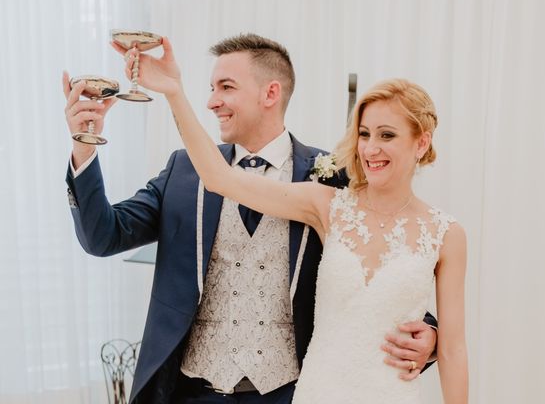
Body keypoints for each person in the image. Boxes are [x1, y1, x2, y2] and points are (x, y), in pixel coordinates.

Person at [63, 33, 439, 404]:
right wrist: (83, 146)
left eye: (226, 87)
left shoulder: (331, 177)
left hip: (291, 392)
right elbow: (103, 237)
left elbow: (378, 263)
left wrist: (431, 335)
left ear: (270, 93)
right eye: (211, 88)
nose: (212, 102)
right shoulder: (184, 170)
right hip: (192, 391)